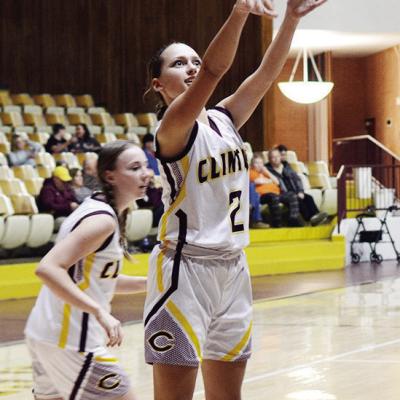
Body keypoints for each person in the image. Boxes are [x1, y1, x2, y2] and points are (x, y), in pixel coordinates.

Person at [142, 1, 326, 399]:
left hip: (234, 268)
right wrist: (239, 12)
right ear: (159, 84)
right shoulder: (172, 128)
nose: (191, 67)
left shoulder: (224, 119)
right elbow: (213, 70)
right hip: (184, 271)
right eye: (178, 64)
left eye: (193, 59)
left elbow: (265, 76)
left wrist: (290, 21)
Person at [24, 140, 150, 400]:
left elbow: (96, 280)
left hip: (47, 334)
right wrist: (98, 311)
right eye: (135, 168)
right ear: (110, 176)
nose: (145, 173)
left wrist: (150, 283)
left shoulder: (99, 210)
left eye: (146, 166)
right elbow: (47, 268)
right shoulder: (101, 220)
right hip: (72, 340)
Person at [267, 147, 328, 225]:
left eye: (277, 156)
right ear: (269, 159)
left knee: (308, 198)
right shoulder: (268, 169)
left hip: (295, 191)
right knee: (298, 200)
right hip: (282, 194)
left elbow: (297, 180)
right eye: (273, 157)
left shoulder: (286, 166)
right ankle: (310, 219)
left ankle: (316, 215)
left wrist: (300, 191)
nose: (276, 159)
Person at [250, 153, 303, 227]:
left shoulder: (265, 172)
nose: (259, 165)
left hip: (277, 193)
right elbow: (258, 181)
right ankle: (277, 223)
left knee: (292, 196)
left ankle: (293, 219)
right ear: (252, 164)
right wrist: (269, 181)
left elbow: (277, 182)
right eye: (256, 163)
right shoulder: (251, 172)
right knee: (274, 197)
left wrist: (266, 172)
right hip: (263, 195)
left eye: (261, 163)